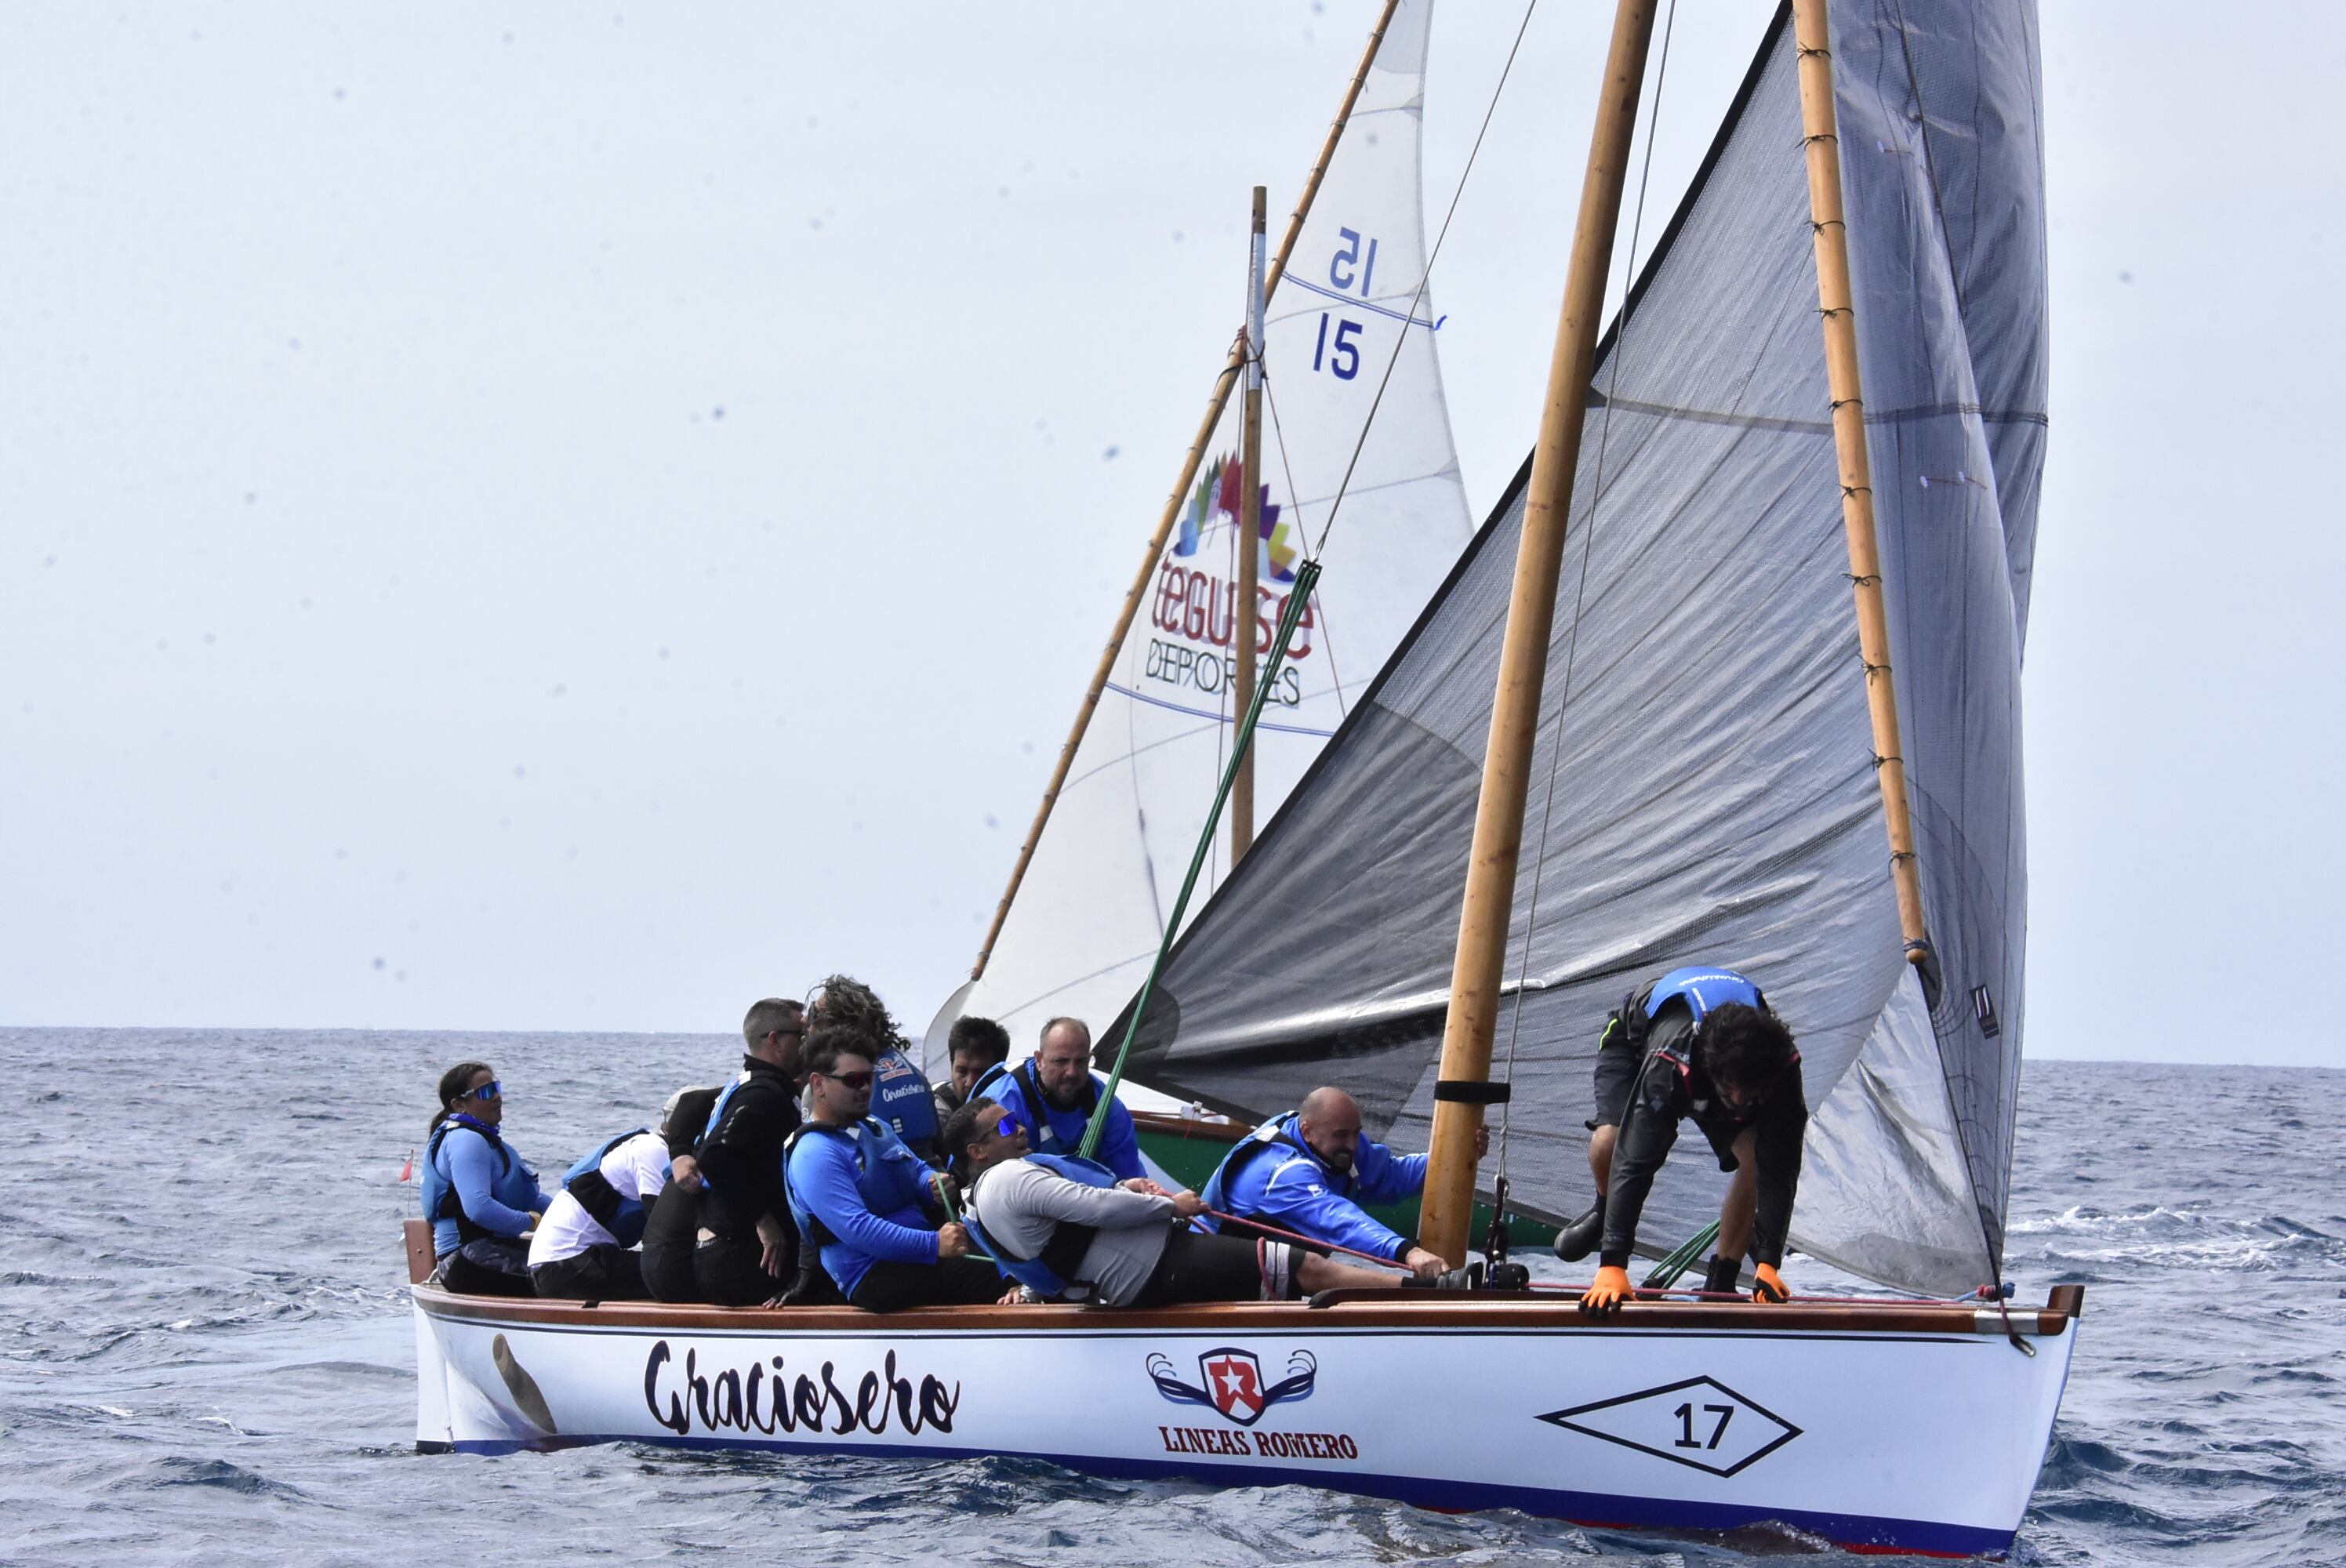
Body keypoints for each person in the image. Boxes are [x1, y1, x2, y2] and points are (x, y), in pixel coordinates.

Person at [946, 1101, 1425, 1305]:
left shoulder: (978, 1198)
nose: (1022, 1129)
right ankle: (1417, 1295)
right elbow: (1093, 1208)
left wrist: (1129, 1190)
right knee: (1312, 1269)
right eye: (1007, 1128)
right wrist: (1171, 1206)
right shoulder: (1007, 1178)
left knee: (1293, 1275)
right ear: (979, 1151)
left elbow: (1074, 1216)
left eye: (1018, 1121)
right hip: (1157, 1267)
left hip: (1140, 1272)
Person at [1552, 966, 1807, 1314]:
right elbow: (1636, 1160)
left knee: (1756, 1158)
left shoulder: (1782, 1065)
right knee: (1612, 1140)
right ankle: (1603, 1208)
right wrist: (1613, 1263)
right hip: (1634, 1044)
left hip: (1728, 1066)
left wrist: (1768, 1260)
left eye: (1754, 1097)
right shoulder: (1671, 1061)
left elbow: (1783, 1162)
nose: (1746, 1105)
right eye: (1739, 1097)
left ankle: (1722, 1280)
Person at [784, 1028, 1008, 1311]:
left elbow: (915, 1170)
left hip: (916, 1252)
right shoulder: (814, 1154)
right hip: (873, 1274)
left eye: (868, 1079)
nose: (865, 1088)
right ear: (818, 1085)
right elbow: (858, 1228)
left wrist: (932, 1183)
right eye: (853, 1081)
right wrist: (933, 1244)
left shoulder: (875, 1126)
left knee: (1010, 1256)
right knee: (987, 1276)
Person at [1198, 1087, 1481, 1279]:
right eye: (1342, 1136)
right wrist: (1409, 1252)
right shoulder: (1280, 1173)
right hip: (1219, 1287)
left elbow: (1393, 1176)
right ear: (1307, 1131)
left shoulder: (1334, 1143)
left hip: (1279, 1283)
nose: (1353, 1144)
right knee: (1317, 1269)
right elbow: (1337, 1219)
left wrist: (1459, 1156)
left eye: (1357, 1133)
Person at [650, 997, 807, 1305]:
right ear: (775, 1040)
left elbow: (692, 1101)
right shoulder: (763, 1093)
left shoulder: (747, 1083)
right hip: (725, 1259)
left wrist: (680, 1150)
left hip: (712, 1254)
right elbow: (716, 1157)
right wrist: (764, 1220)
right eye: (802, 1035)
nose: (809, 1043)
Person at [528, 1086, 717, 1301]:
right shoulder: (653, 1150)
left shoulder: (648, 1146)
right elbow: (666, 1235)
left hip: (562, 1266)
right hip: (566, 1267)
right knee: (681, 1275)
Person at [420, 1062, 551, 1297]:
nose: (497, 1098)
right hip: (464, 1259)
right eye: (486, 1092)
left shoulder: (484, 1141)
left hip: (486, 1251)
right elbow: (479, 1208)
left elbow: (531, 1199)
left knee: (580, 1257)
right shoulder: (466, 1140)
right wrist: (531, 1223)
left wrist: (574, 1212)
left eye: (497, 1088)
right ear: (459, 1105)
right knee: (569, 1273)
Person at [979, 1017, 1144, 1181]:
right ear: (1039, 1060)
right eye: (1061, 1061)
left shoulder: (1106, 1107)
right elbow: (989, 1177)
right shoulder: (1004, 1105)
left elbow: (1128, 1176)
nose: (1071, 1072)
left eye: (1080, 1062)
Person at [809, 975, 942, 1165]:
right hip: (934, 1177)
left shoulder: (833, 1083)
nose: (807, 1023)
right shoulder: (912, 1072)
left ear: (835, 1025)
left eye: (814, 1014)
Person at [932, 1014, 1011, 1124]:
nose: (969, 1083)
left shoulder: (1014, 1103)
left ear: (999, 1071)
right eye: (962, 1071)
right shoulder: (937, 1113)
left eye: (980, 1073)